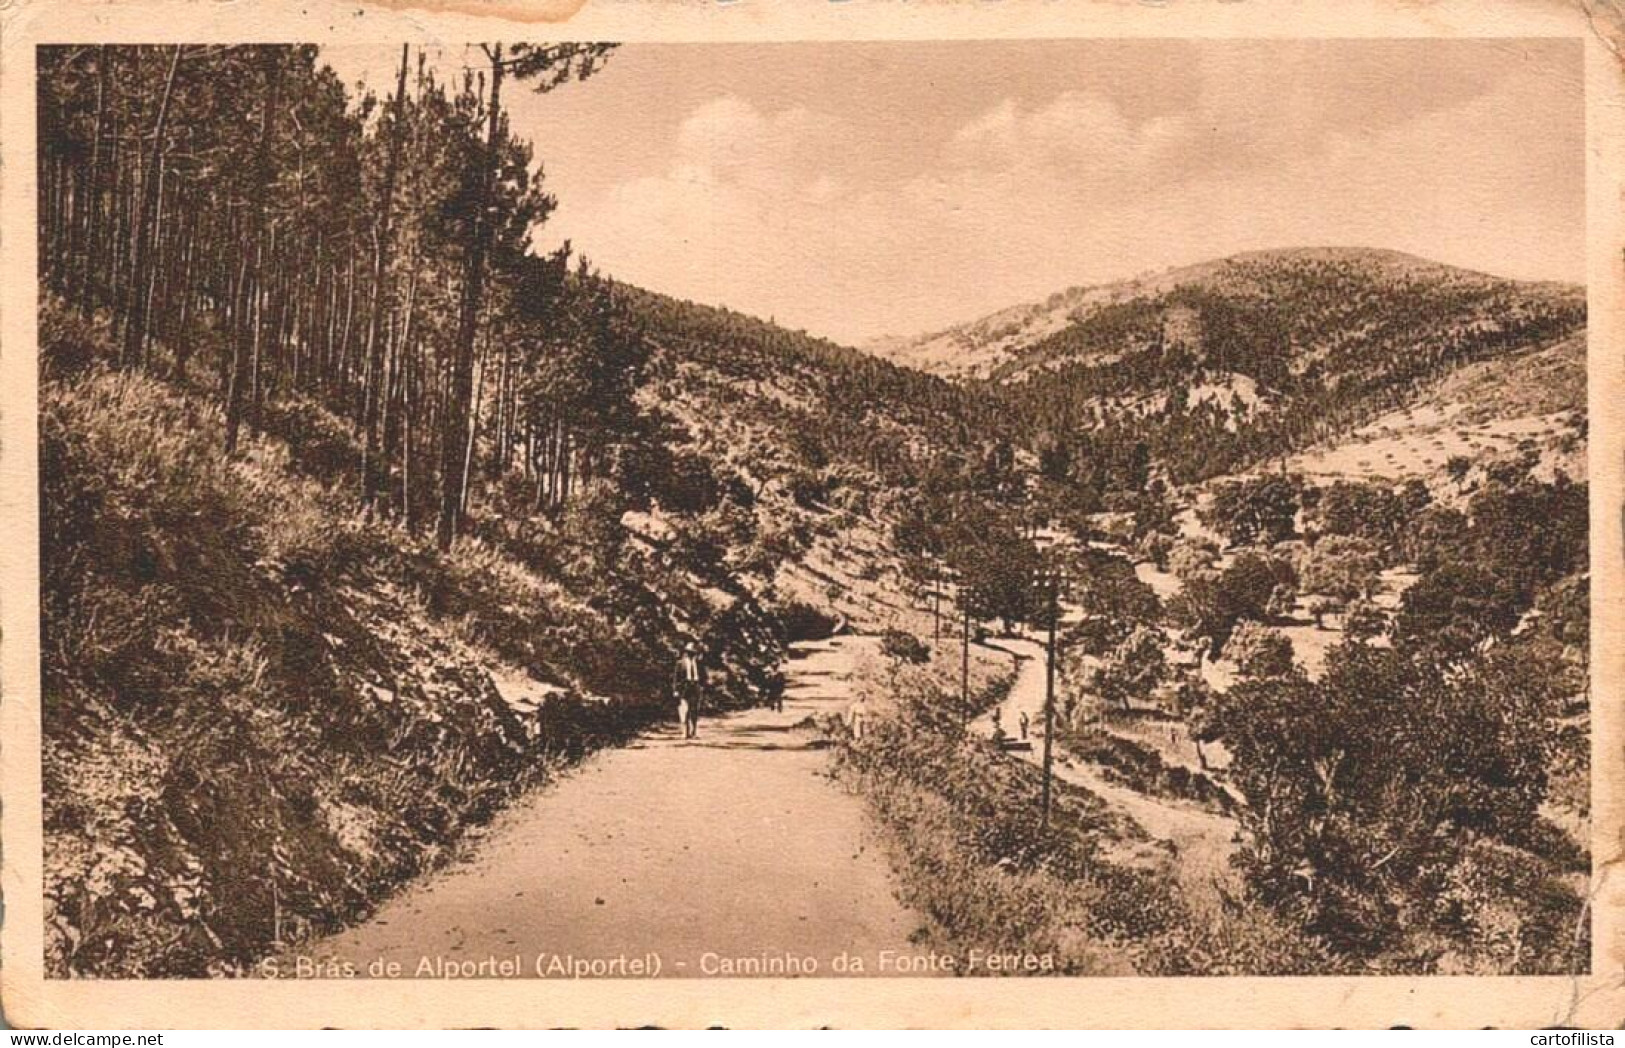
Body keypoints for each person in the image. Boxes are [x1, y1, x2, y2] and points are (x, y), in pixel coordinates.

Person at [672, 640, 706, 739]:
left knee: (694, 710)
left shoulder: (699, 664)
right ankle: (685, 732)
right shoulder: (680, 663)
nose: (691, 654)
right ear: (686, 652)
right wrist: (675, 690)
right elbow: (676, 677)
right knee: (684, 709)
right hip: (684, 688)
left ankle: (694, 732)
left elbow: (703, 676)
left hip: (695, 687)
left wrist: (702, 686)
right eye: (689, 652)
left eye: (693, 653)